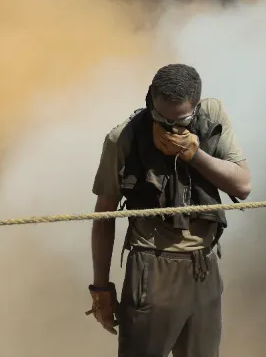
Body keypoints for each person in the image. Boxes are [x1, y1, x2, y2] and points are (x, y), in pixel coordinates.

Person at [88, 63, 252, 357]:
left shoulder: (212, 115)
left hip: (204, 266)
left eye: (181, 120)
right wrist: (101, 288)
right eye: (160, 117)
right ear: (151, 98)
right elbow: (103, 217)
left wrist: (194, 155)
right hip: (152, 270)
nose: (170, 126)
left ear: (197, 105)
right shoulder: (123, 137)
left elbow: (242, 185)